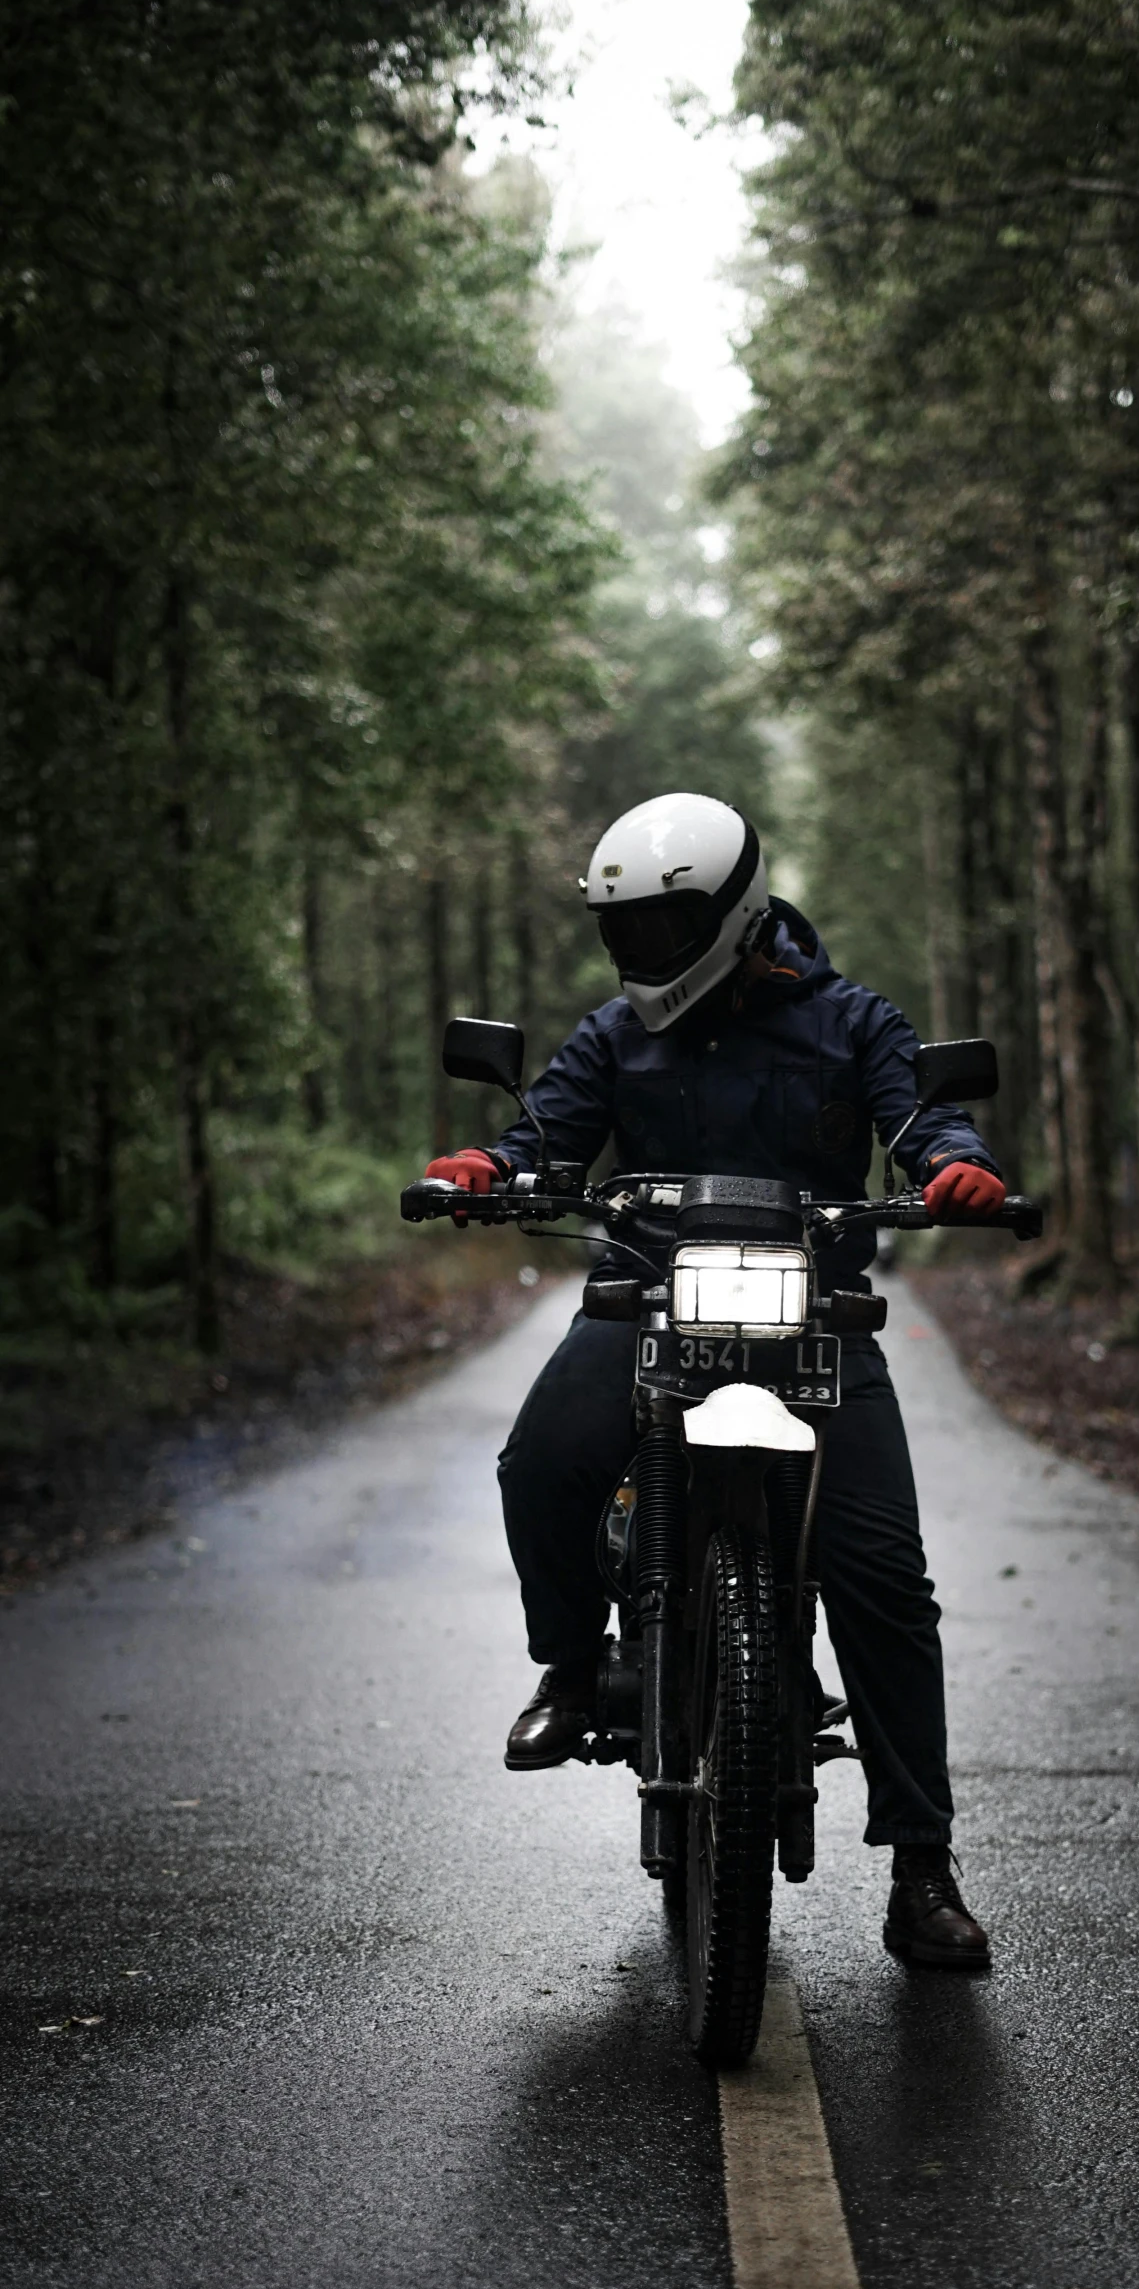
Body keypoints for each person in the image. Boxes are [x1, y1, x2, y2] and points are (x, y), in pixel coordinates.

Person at [426, 792, 1006, 1969]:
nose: (642, 951)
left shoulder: (851, 1021)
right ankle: (572, 1663)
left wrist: (954, 1168)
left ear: (734, 913)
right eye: (624, 929)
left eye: (664, 925)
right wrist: (492, 1165)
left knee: (883, 1574)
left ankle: (920, 1864)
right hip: (645, 1301)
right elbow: (546, 1136)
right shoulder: (612, 1036)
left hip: (814, 1322)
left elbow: (925, 1116)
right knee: (539, 1460)